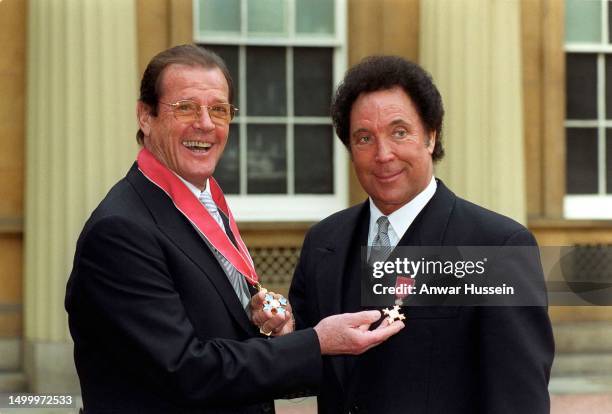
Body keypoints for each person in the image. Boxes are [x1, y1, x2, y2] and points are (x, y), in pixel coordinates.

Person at [64, 45, 404, 414]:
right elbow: (187, 370)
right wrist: (315, 342)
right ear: (145, 116)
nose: (206, 124)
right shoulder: (120, 231)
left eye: (219, 110)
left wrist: (267, 323)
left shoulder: (204, 200)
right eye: (186, 107)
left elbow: (218, 329)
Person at [289, 56, 555, 414]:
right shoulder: (323, 241)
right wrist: (277, 329)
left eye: (399, 132)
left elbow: (518, 400)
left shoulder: (497, 247)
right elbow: (300, 366)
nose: (383, 155)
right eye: (364, 138)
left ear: (431, 135)